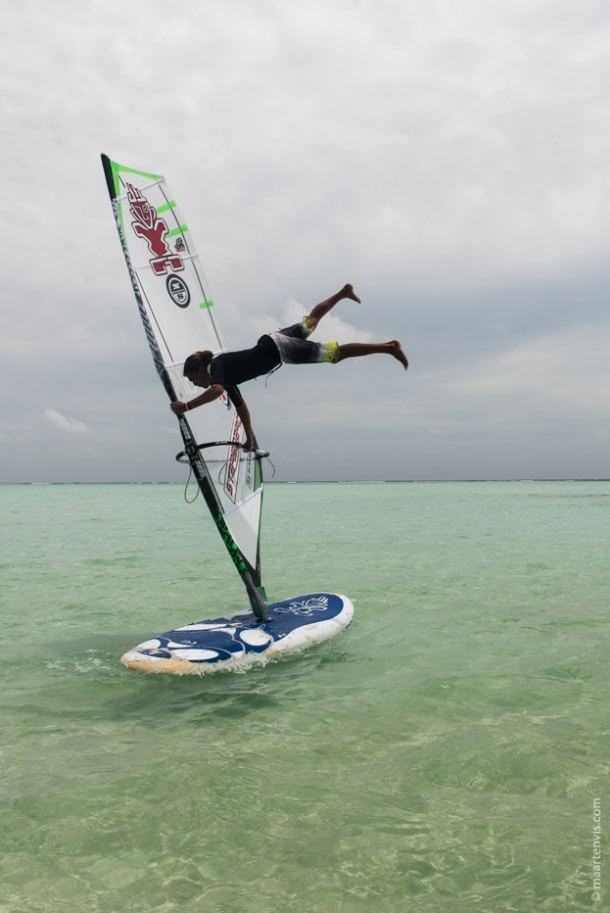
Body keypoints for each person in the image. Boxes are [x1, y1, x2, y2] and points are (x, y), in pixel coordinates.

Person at [170, 283, 408, 450]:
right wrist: (250, 438)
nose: (196, 384)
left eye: (193, 379)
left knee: (335, 354)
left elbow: (216, 391)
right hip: (273, 340)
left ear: (200, 369)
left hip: (279, 350)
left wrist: (187, 406)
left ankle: (388, 347)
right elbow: (242, 410)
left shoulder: (216, 368)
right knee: (310, 322)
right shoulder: (225, 376)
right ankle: (344, 292)